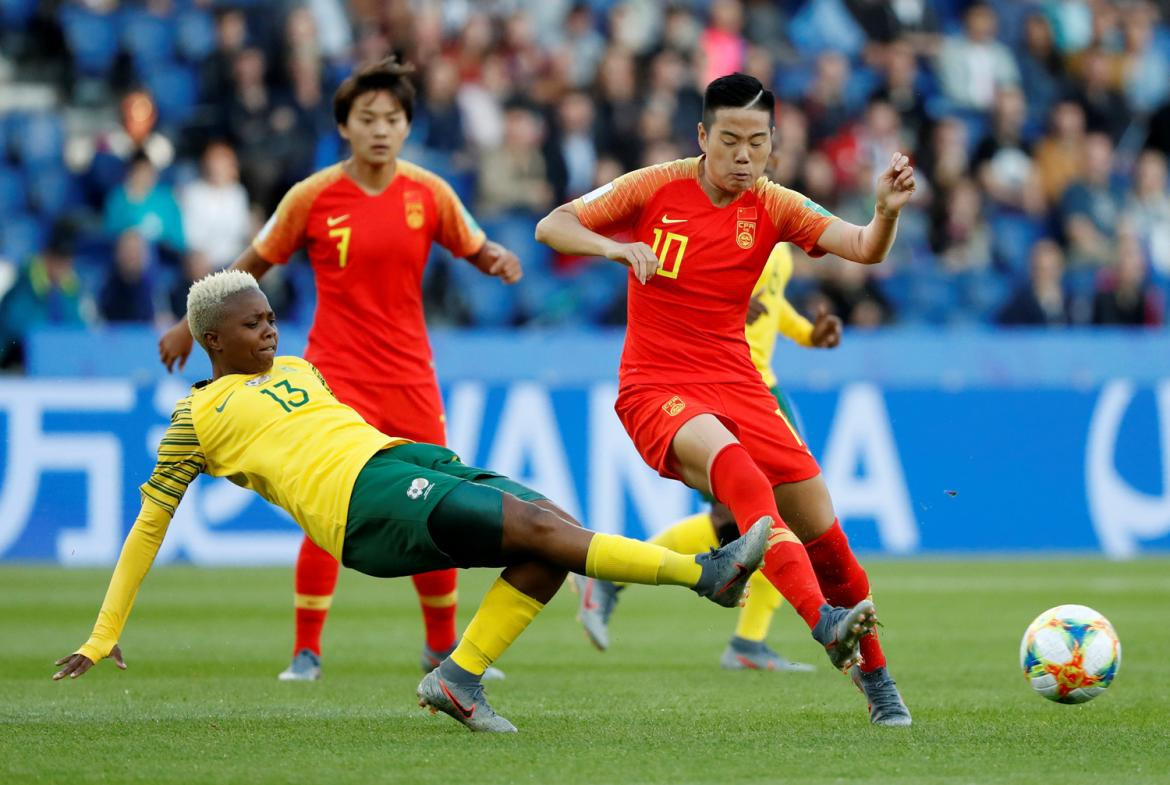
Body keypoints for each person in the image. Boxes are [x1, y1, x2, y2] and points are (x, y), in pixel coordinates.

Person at [52, 270, 777, 734]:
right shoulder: (195, 420)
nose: (271, 329)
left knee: (551, 525)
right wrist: (102, 631)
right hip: (360, 505)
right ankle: (705, 577)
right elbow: (151, 525)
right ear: (211, 339)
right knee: (537, 528)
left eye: (272, 316)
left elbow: (329, 428)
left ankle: (457, 679)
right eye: (253, 323)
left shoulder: (300, 366)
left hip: (395, 459)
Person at [535, 72, 914, 726]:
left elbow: (862, 249)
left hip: (737, 382)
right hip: (657, 385)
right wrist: (615, 247)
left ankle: (878, 679)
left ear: (774, 146)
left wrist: (884, 211)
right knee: (738, 473)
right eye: (731, 140)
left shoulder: (774, 204)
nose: (744, 156)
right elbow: (552, 225)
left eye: (758, 143)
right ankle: (823, 623)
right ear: (703, 136)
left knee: (829, 540)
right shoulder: (656, 185)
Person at [157, 58, 524, 683]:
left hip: (410, 377)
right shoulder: (313, 195)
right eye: (367, 118)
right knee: (330, 504)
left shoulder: (429, 193)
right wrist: (189, 324)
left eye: (393, 119)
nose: (381, 129)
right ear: (345, 127)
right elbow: (249, 269)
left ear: (407, 127)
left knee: (440, 507)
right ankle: (307, 650)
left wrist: (496, 260)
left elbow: (473, 244)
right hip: (333, 380)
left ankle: (441, 648)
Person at [573, 242, 843, 673]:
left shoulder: (778, 241)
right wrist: (727, 304)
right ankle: (615, 577)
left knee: (752, 522)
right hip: (726, 389)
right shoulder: (724, 226)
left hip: (760, 389)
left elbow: (771, 303)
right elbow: (680, 289)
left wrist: (809, 334)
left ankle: (741, 639)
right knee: (768, 519)